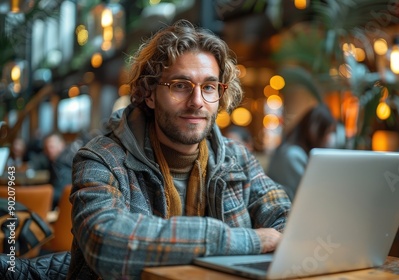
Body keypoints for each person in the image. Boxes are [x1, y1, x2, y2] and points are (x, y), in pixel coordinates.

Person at [68, 20, 291, 279]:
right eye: (180, 85)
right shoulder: (101, 157)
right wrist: (251, 241)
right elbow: (106, 241)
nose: (197, 102)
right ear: (149, 93)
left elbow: (284, 216)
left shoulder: (235, 157)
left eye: (209, 87)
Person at [267, 104, 336, 201]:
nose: (329, 138)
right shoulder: (293, 155)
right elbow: (311, 196)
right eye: (328, 132)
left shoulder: (289, 149)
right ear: (314, 130)